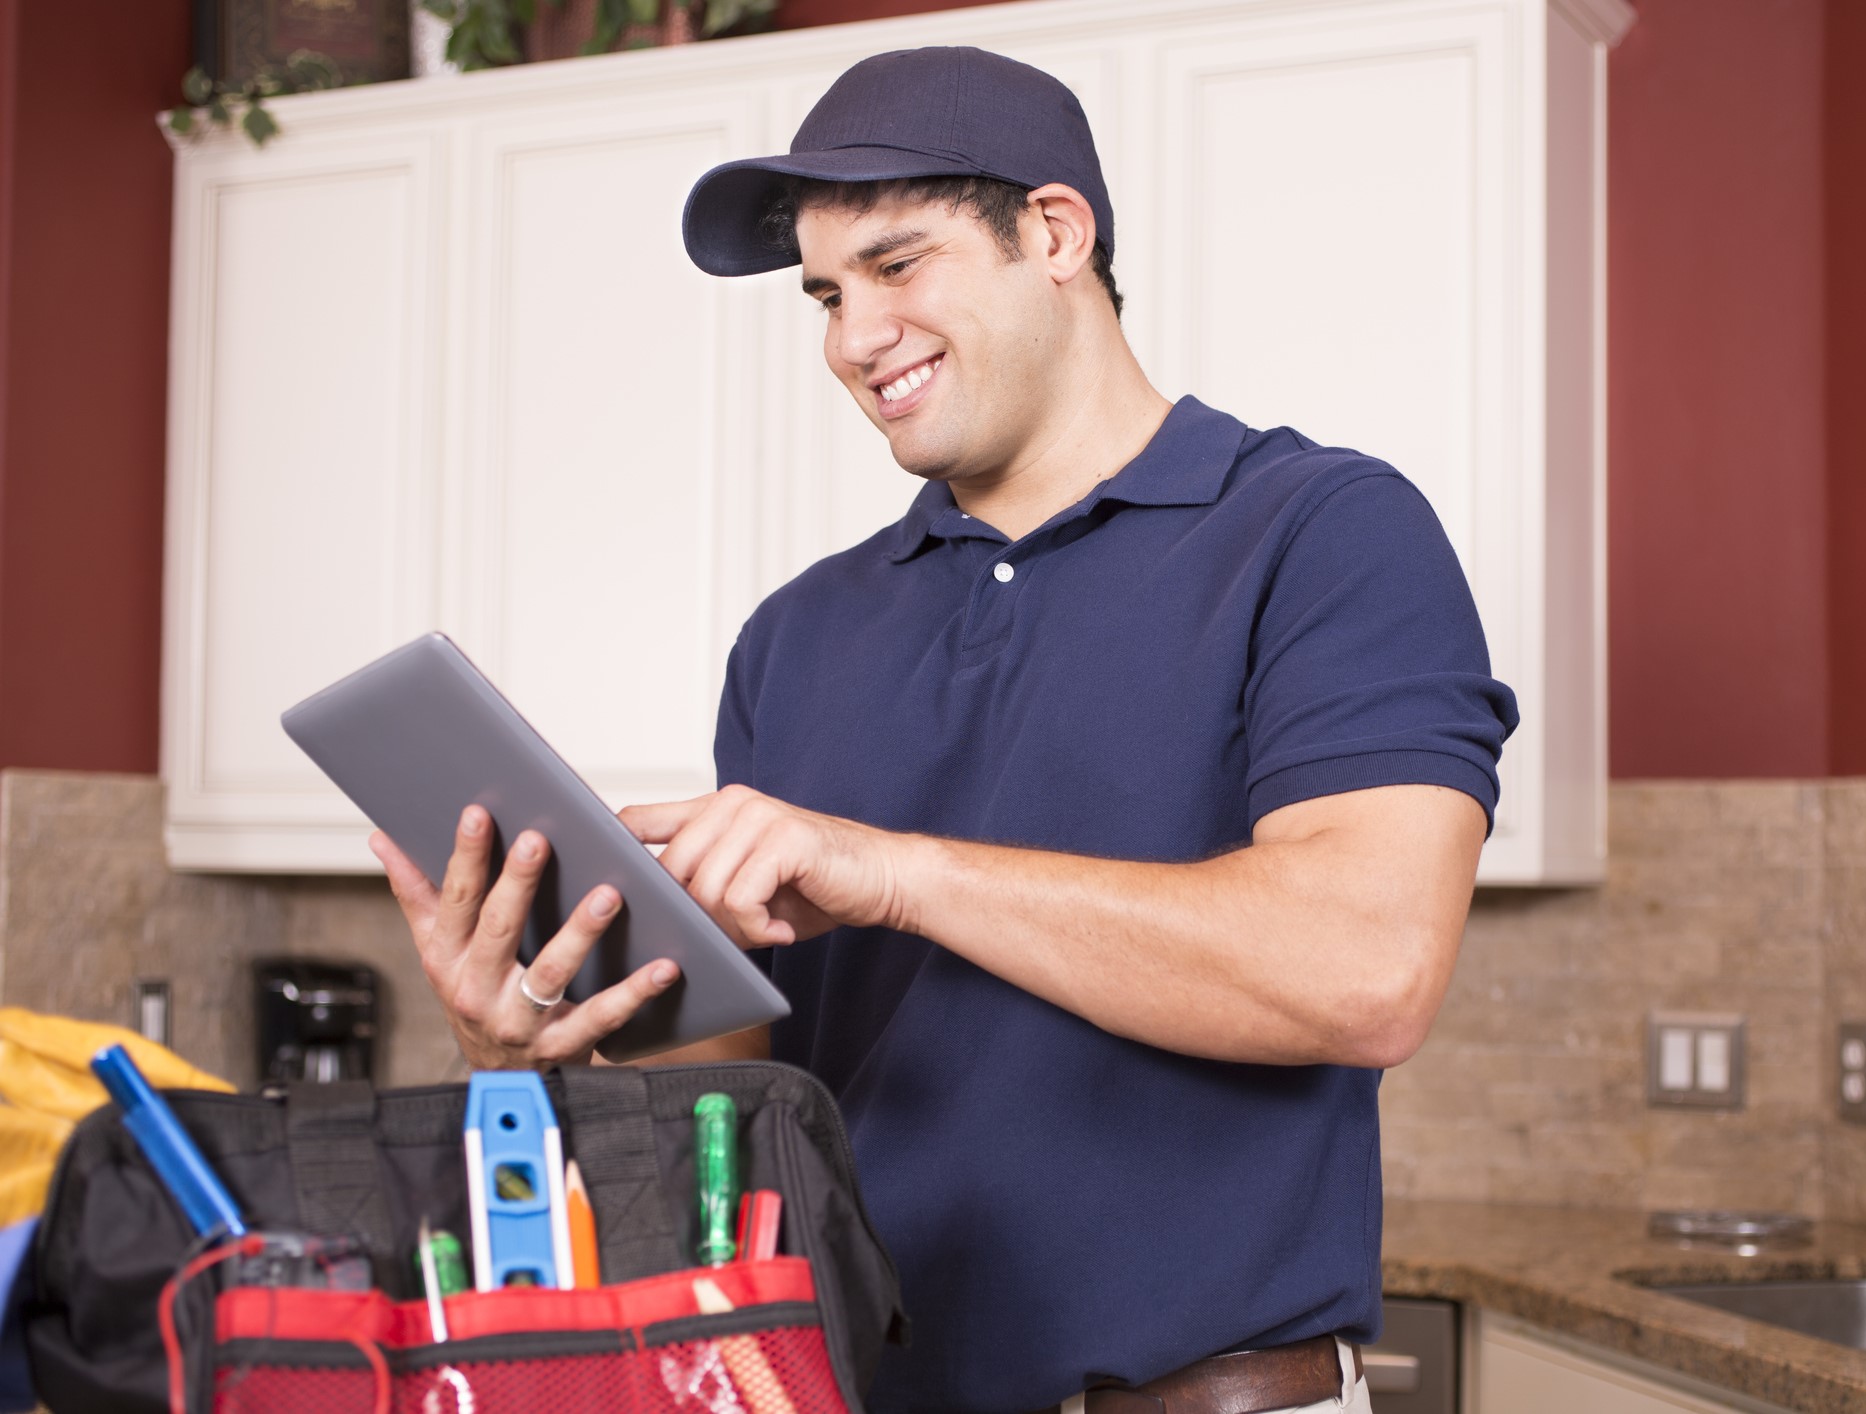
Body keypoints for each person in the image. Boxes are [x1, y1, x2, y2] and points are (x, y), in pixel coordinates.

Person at [373, 45, 1517, 1414]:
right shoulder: (798, 634)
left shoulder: (1320, 533)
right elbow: (737, 1110)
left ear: (1052, 233)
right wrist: (547, 1037)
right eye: (826, 293)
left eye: (897, 265)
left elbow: (1364, 965)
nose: (855, 337)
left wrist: (895, 871)